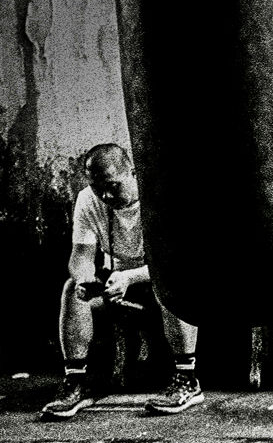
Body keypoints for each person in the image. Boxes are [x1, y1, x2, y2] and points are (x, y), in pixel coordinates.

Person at [40, 143, 202, 420]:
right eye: (97, 187)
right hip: (118, 283)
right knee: (71, 291)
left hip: (162, 278)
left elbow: (179, 262)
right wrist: (85, 279)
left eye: (112, 185)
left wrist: (130, 277)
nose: (105, 195)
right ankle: (75, 383)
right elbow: (81, 255)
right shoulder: (87, 200)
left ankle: (187, 380)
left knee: (173, 284)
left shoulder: (162, 194)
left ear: (133, 173)